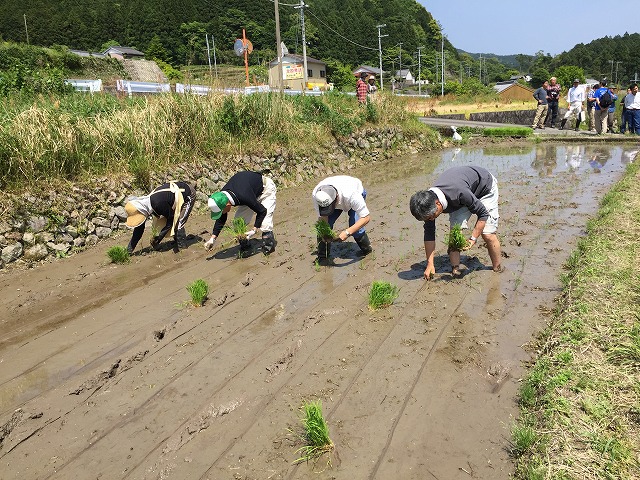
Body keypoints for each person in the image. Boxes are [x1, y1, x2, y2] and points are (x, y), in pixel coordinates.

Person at [409, 166, 503, 279]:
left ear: (438, 204)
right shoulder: (427, 205)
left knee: (487, 234)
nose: (430, 220)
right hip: (463, 195)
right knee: (455, 232)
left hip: (485, 188)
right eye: (427, 218)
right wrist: (430, 264)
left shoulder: (458, 192)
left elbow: (483, 214)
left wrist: (473, 238)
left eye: (431, 217)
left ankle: (497, 268)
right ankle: (455, 270)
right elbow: (429, 233)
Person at [203, 171, 277, 255]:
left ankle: (269, 249)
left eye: (221, 211)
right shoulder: (221, 197)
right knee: (238, 224)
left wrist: (254, 230)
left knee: (265, 223)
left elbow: (262, 211)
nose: (221, 213)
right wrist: (213, 238)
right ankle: (246, 247)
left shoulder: (244, 196)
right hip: (250, 193)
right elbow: (221, 218)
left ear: (227, 204)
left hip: (266, 190)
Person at [124, 181, 196, 254]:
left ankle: (183, 250)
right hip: (171, 199)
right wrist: (129, 250)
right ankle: (177, 240)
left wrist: (158, 238)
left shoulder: (157, 204)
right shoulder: (145, 206)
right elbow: (139, 230)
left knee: (179, 224)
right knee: (163, 222)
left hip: (187, 194)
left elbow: (171, 219)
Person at [312, 175, 372, 262]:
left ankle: (367, 251)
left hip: (353, 193)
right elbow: (323, 218)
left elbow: (366, 217)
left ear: (336, 199)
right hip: (337, 198)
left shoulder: (352, 195)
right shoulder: (317, 195)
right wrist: (324, 233)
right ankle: (322, 257)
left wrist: (347, 232)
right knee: (323, 227)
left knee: (354, 224)